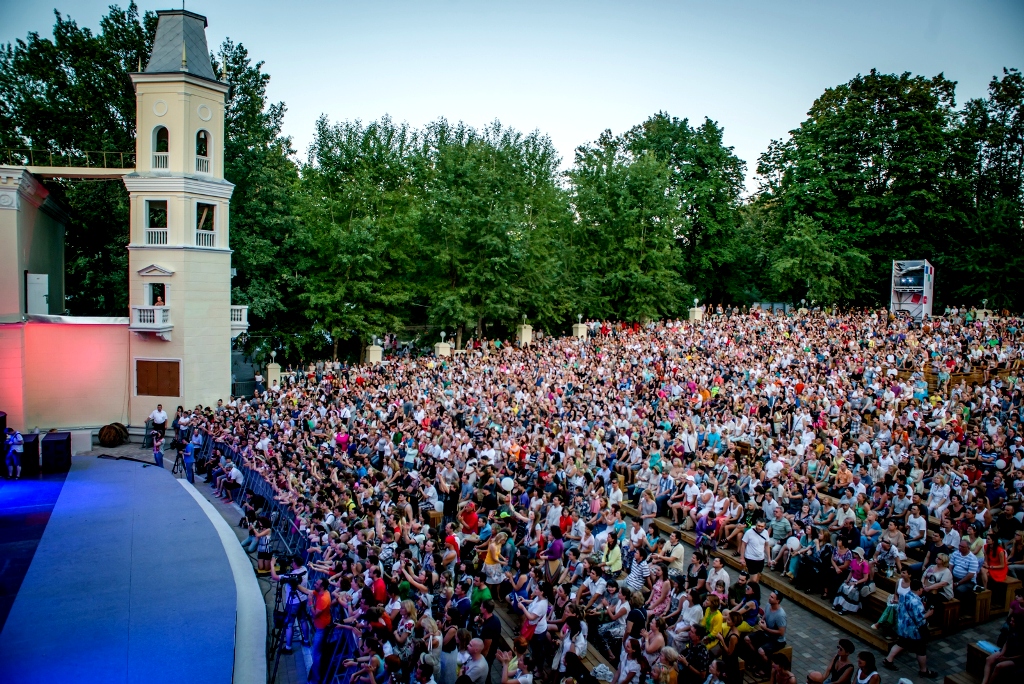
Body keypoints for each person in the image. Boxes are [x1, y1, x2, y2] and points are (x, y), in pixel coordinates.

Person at [881, 579, 938, 678]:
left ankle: (888, 660)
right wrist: (929, 613)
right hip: (914, 631)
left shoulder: (904, 595)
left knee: (901, 643)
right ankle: (923, 671)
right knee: (921, 649)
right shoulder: (916, 601)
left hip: (903, 627)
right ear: (920, 589)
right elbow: (919, 617)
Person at [269, 555, 309, 653]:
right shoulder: (304, 569)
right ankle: (306, 640)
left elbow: (274, 577)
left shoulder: (291, 576)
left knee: (289, 624)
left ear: (294, 563)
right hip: (303, 599)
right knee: (303, 620)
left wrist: (272, 564)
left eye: (292, 562)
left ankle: (288, 647)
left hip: (293, 602)